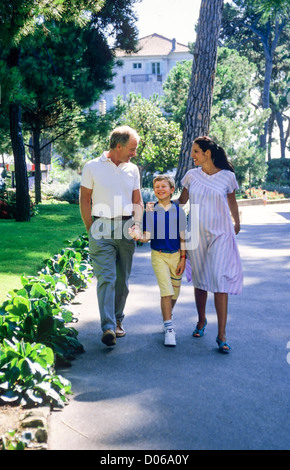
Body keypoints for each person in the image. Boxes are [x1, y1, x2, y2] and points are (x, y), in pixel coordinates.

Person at [79, 126, 143, 347]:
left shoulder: (133, 170)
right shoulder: (92, 167)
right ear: (119, 145)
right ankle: (107, 327)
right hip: (101, 226)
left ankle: (117, 319)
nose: (134, 153)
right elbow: (85, 200)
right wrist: (91, 229)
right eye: (132, 148)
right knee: (106, 277)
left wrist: (137, 224)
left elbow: (137, 200)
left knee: (122, 280)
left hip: (126, 226)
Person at [178, 136, 243, 353]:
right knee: (200, 280)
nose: (192, 155)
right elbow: (181, 202)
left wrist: (237, 222)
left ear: (207, 153)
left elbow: (232, 201)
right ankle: (201, 320)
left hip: (221, 234)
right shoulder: (191, 176)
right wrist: (160, 206)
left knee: (220, 279)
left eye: (196, 151)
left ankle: (222, 334)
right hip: (196, 234)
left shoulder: (227, 177)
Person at [130, 175, 187, 347]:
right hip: (158, 255)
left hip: (176, 255)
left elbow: (183, 237)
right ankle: (169, 329)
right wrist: (138, 237)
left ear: (171, 190)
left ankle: (167, 316)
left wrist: (183, 258)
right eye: (157, 187)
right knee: (166, 291)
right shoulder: (150, 210)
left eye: (164, 186)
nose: (160, 189)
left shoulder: (179, 210)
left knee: (174, 294)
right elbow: (147, 236)